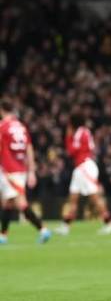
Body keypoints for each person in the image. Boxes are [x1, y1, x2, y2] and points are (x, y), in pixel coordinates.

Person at [55, 112, 111, 236]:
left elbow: (71, 151)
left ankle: (109, 223)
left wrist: (68, 137)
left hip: (84, 167)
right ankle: (66, 226)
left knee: (94, 197)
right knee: (73, 198)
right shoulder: (85, 131)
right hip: (81, 168)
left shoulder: (79, 133)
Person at [0, 99, 51, 244]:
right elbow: (29, 148)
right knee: (7, 203)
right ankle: (3, 235)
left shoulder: (2, 127)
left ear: (2, 110)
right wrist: (31, 171)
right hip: (21, 169)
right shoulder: (21, 126)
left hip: (9, 170)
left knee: (20, 203)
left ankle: (43, 229)